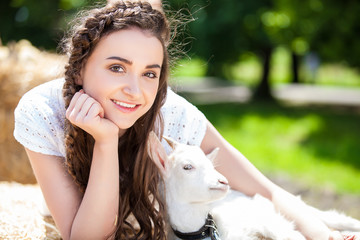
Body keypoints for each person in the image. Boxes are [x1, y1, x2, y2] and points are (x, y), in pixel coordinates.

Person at [13, 1, 357, 240]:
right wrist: (106, 142)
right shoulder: (42, 112)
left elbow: (261, 188)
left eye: (150, 73)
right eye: (117, 67)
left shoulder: (170, 113)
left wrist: (321, 235)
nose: (135, 91)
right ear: (78, 72)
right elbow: (88, 237)